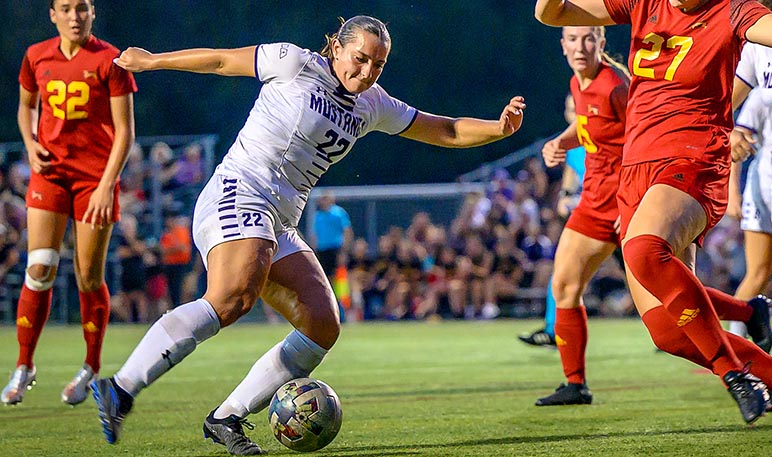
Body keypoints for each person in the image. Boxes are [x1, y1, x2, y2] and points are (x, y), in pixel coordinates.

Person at [92, 15, 526, 454]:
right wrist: (152, 61)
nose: (367, 72)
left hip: (279, 221)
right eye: (360, 59)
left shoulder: (372, 103)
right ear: (336, 47)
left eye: (378, 64)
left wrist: (498, 128)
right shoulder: (294, 62)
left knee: (322, 323)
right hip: (239, 191)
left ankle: (227, 417)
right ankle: (121, 387)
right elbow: (222, 61)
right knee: (233, 295)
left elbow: (445, 129)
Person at [535, 0, 772, 424]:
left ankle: (734, 373)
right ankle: (757, 340)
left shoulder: (734, 10)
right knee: (668, 331)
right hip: (636, 173)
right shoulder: (645, 2)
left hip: (692, 159)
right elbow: (550, 13)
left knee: (644, 250)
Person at [1, 0, 136, 406]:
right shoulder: (35, 56)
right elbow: (25, 107)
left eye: (82, 8)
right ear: (53, 14)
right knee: (39, 266)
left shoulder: (110, 59)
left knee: (88, 278)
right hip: (51, 175)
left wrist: (105, 184)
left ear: (92, 12)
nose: (74, 16)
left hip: (95, 178)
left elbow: (125, 131)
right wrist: (29, 144)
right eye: (66, 8)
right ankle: (24, 365)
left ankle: (91, 365)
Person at [529, 26, 630, 406]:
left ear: (602, 43)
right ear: (563, 45)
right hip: (593, 204)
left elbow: (644, 142)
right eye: (573, 39)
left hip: (627, 205)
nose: (580, 46)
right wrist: (560, 142)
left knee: (667, 315)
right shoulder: (578, 83)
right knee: (565, 287)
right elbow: (588, 126)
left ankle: (749, 315)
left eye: (589, 38)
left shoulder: (616, 85)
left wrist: (634, 204)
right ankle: (575, 384)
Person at [726, 3, 772, 339]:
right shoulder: (755, 43)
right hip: (765, 177)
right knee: (757, 272)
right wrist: (728, 132)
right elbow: (719, 103)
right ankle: (734, 351)